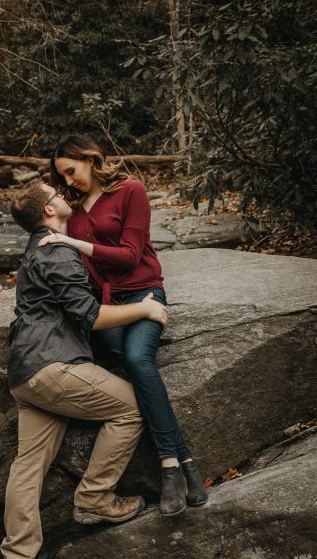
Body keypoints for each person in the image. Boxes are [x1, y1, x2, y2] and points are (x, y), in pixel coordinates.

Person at [0, 179, 170, 559]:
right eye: (56, 194)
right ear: (48, 211)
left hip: (24, 374)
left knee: (28, 466)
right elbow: (89, 315)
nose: (63, 195)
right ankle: (94, 498)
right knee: (132, 408)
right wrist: (146, 306)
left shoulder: (36, 250)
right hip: (54, 365)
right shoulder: (58, 251)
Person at [42, 134, 208, 517]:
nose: (68, 182)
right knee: (120, 359)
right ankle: (186, 465)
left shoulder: (130, 191)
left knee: (137, 359)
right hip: (108, 307)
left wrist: (74, 245)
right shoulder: (76, 211)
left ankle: (169, 466)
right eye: (62, 177)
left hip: (144, 295)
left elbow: (131, 257)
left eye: (71, 171)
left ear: (89, 159)